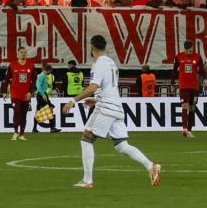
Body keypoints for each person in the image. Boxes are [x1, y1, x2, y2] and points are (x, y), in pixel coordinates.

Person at [63, 34, 161, 188]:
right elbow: (108, 87)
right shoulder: (111, 63)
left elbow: (92, 87)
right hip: (116, 107)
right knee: (121, 145)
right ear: (105, 47)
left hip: (106, 108)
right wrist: (96, 99)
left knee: (87, 138)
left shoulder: (99, 63)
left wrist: (72, 101)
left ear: (92, 48)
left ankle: (87, 180)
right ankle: (150, 166)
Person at [172, 41, 206, 138]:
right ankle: (184, 129)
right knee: (185, 106)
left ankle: (189, 130)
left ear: (193, 48)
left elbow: (202, 69)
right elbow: (174, 70)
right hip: (183, 86)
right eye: (187, 50)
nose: (189, 52)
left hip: (194, 86)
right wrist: (172, 83)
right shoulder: (179, 57)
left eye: (190, 50)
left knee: (192, 108)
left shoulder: (198, 57)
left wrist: (205, 79)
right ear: (184, 49)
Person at [5, 46, 35, 140]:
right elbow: (6, 79)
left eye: (25, 52)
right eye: (21, 52)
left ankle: (22, 134)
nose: (23, 54)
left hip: (26, 95)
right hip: (15, 94)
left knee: (24, 114)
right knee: (17, 111)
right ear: (17, 54)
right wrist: (4, 92)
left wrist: (31, 92)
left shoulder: (31, 65)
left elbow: (34, 80)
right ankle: (15, 132)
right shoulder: (12, 65)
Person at [34, 63, 58, 133]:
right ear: (49, 70)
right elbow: (38, 85)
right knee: (50, 109)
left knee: (38, 112)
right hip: (42, 95)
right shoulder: (42, 75)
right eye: (51, 71)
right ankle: (52, 128)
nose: (51, 72)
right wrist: (43, 94)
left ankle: (34, 128)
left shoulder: (42, 75)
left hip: (41, 95)